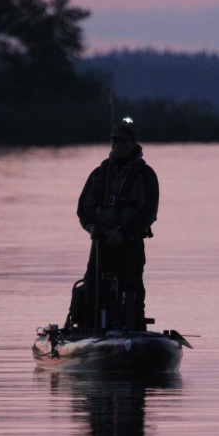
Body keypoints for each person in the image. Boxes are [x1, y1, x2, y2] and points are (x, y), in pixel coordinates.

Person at [77, 117, 159, 331]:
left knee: (132, 289)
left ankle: (134, 331)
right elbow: (83, 209)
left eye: (122, 142)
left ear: (133, 144)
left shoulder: (146, 175)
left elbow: (148, 211)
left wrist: (123, 232)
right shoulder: (98, 174)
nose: (118, 146)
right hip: (101, 242)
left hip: (130, 242)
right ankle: (88, 332)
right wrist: (94, 228)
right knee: (93, 289)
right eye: (114, 142)